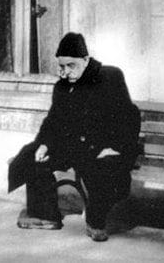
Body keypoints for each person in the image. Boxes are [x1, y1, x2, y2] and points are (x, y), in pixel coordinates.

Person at [8, 32, 141, 241]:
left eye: (71, 65)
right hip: (75, 146)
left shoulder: (109, 78)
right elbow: (53, 121)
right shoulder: (62, 87)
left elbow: (129, 116)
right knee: (31, 155)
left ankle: (95, 223)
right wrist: (43, 144)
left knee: (102, 169)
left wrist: (115, 146)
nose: (65, 72)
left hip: (107, 146)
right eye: (61, 66)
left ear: (86, 60)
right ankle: (46, 215)